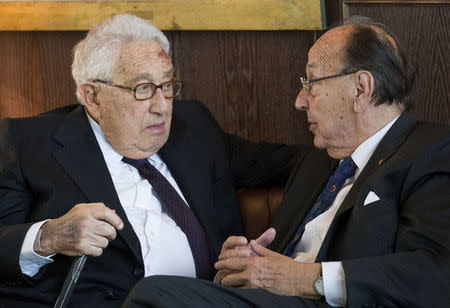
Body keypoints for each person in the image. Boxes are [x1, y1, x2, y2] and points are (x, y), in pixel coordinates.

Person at [122, 17, 450, 308]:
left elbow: (437, 275)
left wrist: (307, 278)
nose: (299, 101)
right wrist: (247, 267)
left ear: (360, 88)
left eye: (311, 83)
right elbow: (274, 266)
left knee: (153, 295)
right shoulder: (317, 162)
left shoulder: (433, 152)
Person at [0, 14, 302, 307]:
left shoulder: (194, 127)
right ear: (92, 97)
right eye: (142, 89)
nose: (162, 107)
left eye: (167, 85)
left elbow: (288, 162)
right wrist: (47, 237)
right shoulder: (26, 143)